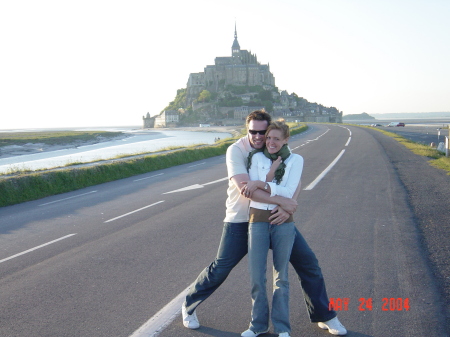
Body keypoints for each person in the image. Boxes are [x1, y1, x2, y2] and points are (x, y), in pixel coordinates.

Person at [182, 110, 347, 336]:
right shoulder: (237, 151)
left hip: (278, 217)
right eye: (254, 132)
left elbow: (294, 181)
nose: (259, 137)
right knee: (221, 268)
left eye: (263, 132)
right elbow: (246, 189)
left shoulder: (276, 148)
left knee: (308, 264)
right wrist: (284, 201)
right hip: (241, 220)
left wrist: (287, 205)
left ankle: (326, 315)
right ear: (246, 130)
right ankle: (189, 305)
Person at [240, 119, 301, 337]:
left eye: (276, 138)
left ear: (286, 140)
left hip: (282, 221)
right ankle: (258, 325)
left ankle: (282, 328)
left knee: (281, 276)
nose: (271, 142)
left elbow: (289, 190)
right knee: (257, 276)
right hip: (257, 218)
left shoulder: (296, 160)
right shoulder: (255, 157)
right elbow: (252, 190)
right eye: (268, 138)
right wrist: (273, 189)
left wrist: (264, 185)